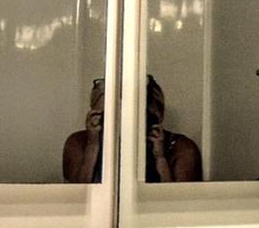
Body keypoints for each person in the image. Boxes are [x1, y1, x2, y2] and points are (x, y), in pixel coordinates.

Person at [62, 75, 202, 183]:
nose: (123, 121)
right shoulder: (80, 142)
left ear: (158, 115)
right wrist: (93, 146)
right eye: (110, 114)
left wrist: (160, 157)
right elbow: (76, 202)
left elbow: (178, 204)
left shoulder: (181, 148)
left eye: (138, 114)